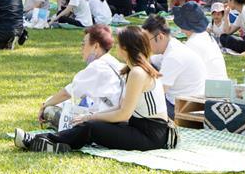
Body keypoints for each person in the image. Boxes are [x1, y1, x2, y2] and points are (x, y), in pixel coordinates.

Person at [15, 26, 179, 154]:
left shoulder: (137, 72)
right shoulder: (133, 70)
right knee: (90, 125)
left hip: (150, 135)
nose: (116, 47)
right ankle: (49, 142)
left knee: (90, 128)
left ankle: (40, 141)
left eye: (119, 43)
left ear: (126, 48)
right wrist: (91, 117)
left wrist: (90, 118)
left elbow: (124, 114)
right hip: (143, 129)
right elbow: (122, 108)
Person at [37, 25, 124, 129]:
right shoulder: (113, 62)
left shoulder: (97, 66)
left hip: (103, 120)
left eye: (83, 44)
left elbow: (66, 93)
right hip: (114, 115)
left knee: (50, 108)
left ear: (96, 46)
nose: (81, 48)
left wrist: (44, 106)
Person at [142, 15, 206, 117]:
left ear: (160, 37)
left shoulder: (173, 56)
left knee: (139, 106)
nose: (145, 45)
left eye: (146, 41)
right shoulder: (172, 46)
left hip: (186, 109)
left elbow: (157, 92)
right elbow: (150, 61)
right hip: (190, 103)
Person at [173, 2, 228, 82]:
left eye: (182, 26)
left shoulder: (192, 43)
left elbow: (180, 72)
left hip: (208, 89)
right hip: (220, 84)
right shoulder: (206, 36)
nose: (181, 30)